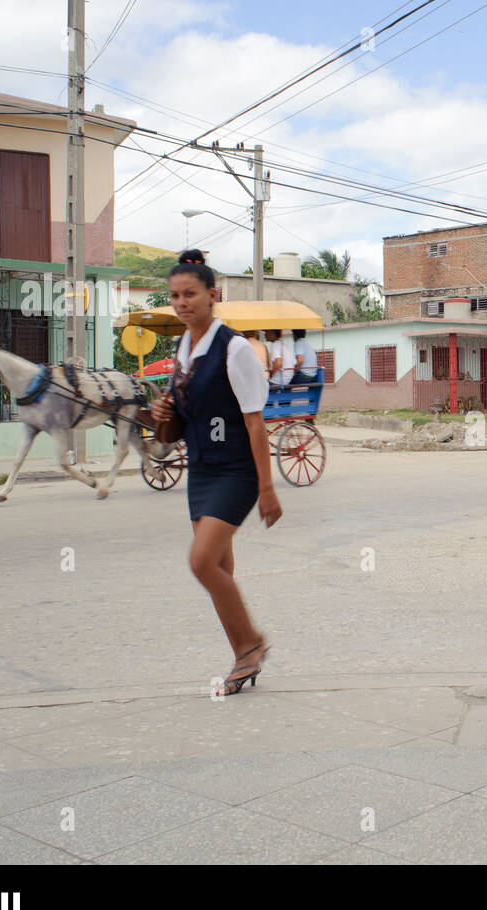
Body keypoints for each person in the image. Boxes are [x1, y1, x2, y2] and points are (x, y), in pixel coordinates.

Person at [149, 251, 282, 696]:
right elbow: (184, 417)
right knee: (219, 566)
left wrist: (267, 488)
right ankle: (244, 656)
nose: (182, 303)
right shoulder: (183, 348)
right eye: (175, 296)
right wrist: (163, 410)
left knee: (200, 560)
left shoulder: (235, 347)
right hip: (202, 470)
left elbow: (254, 421)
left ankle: (250, 645)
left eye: (190, 294)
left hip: (238, 471)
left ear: (212, 295)